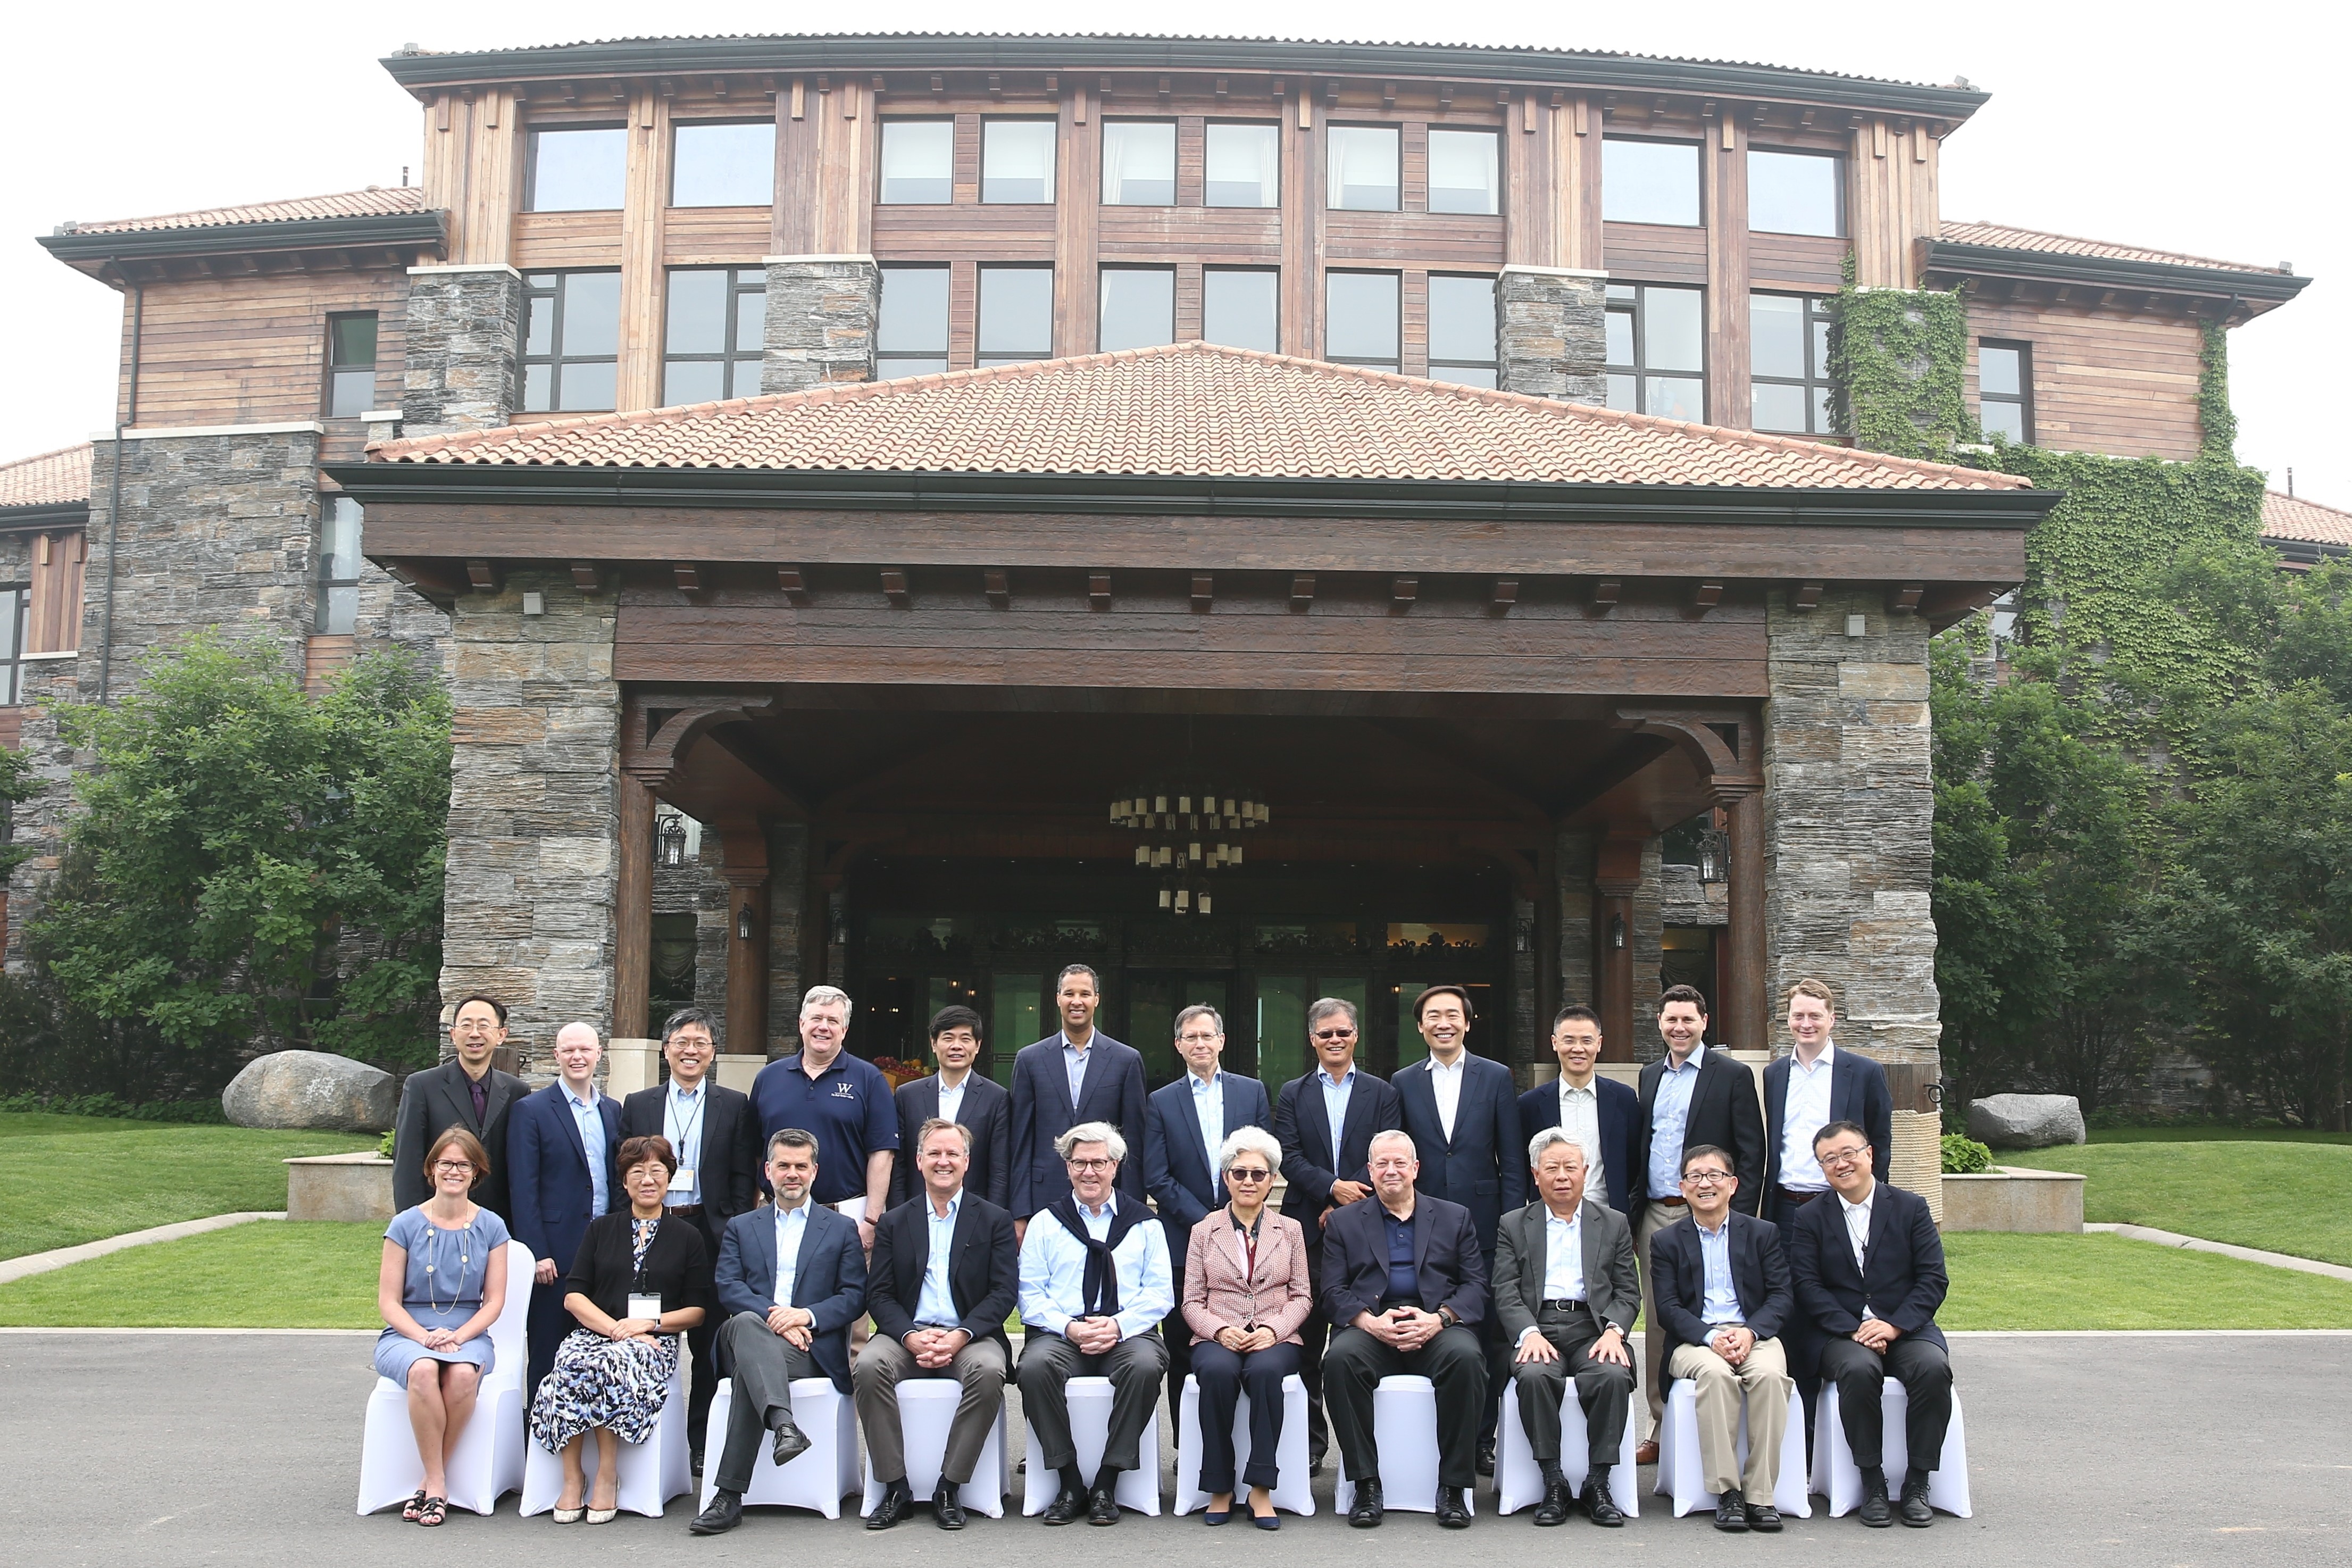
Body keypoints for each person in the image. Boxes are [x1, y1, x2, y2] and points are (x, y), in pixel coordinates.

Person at [689, 1129, 870, 1537]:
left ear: (815, 1171)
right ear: (767, 1171)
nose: (792, 1174)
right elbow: (730, 1287)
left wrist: (804, 1317)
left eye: (801, 1166)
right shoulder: (741, 1225)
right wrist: (779, 1318)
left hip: (808, 1348)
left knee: (748, 1374)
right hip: (749, 1334)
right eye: (784, 1166)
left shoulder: (840, 1229)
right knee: (747, 1325)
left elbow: (854, 1296)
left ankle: (729, 1497)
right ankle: (784, 1427)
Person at [527, 1136, 710, 1523]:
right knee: (572, 1361)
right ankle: (573, 1477)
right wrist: (616, 1330)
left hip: (654, 1342)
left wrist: (651, 1324)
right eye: (637, 1172)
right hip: (599, 1332)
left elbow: (697, 1311)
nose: (648, 1179)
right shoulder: (601, 1230)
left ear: (669, 1179)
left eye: (657, 1171)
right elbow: (573, 1297)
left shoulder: (688, 1237)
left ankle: (607, 1475)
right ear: (624, 1182)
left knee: (611, 1362)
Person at [1788, 1120, 1953, 1530]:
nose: (1841, 1164)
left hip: (1906, 1328)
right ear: (1822, 1169)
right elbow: (1806, 1286)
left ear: (1869, 1154)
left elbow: (1933, 1279)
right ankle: (1872, 1481)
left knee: (1933, 1370)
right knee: (1859, 1371)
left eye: (1849, 1153)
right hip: (1841, 1333)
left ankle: (1918, 1482)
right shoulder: (1809, 1217)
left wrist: (1893, 1326)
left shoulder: (1911, 1208)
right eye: (1829, 1159)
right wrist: (1853, 1330)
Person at [857, 1117, 1019, 1532]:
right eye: (935, 1153)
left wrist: (961, 1334)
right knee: (869, 1365)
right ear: (918, 1161)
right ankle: (895, 1487)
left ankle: (950, 1486)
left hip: (970, 1336)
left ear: (967, 1162)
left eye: (952, 1154)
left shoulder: (995, 1219)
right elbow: (879, 1294)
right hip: (907, 1334)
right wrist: (911, 1337)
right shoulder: (895, 1221)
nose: (943, 1161)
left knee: (988, 1370)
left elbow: (1003, 1294)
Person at [620, 1004, 762, 1473]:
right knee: (649, 1330)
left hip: (710, 1230)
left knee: (708, 1341)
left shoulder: (733, 1104)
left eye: (701, 1043)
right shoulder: (639, 1105)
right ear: (665, 1050)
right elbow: (622, 1170)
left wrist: (735, 1226)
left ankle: (700, 1442)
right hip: (655, 1230)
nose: (690, 1051)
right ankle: (646, 1438)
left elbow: (744, 1174)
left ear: (713, 1052)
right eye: (681, 1042)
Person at [1320, 1129, 1487, 1530]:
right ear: (1370, 1171)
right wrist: (1369, 1323)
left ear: (1416, 1168)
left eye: (1399, 1163)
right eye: (1382, 1164)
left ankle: (1453, 1487)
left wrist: (1440, 1319)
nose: (1390, 1171)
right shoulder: (1343, 1222)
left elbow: (1476, 1287)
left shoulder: (1454, 1216)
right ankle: (1366, 1484)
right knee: (1340, 1361)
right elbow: (1331, 1291)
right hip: (1373, 1322)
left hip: (1435, 1322)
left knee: (1467, 1359)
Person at [1393, 984, 1525, 1471]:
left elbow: (1511, 1158)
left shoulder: (1495, 1077)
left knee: (1487, 1333)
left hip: (1485, 1221)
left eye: (1453, 1015)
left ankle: (1480, 1438)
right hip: (1422, 1223)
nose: (1443, 1023)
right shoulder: (1403, 1081)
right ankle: (1430, 1436)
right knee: (1433, 1328)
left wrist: (1513, 1223)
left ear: (1468, 1023)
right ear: (1421, 1026)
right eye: (1433, 1016)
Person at [1015, 1121, 1172, 1527]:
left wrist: (1117, 1326)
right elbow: (1030, 1295)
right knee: (1033, 1367)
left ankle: (1107, 1480)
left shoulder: (1145, 1224)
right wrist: (1070, 1328)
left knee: (1144, 1365)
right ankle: (1069, 1481)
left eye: (1098, 1162)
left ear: (1115, 1165)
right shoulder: (1045, 1224)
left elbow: (1159, 1295)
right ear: (1067, 1167)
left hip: (1128, 1334)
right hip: (1063, 1334)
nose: (1089, 1172)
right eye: (1079, 1162)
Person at [1631, 984, 1765, 1453]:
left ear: (1704, 1022)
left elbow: (1752, 1152)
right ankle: (1661, 1428)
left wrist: (1739, 1223)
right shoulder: (1650, 1076)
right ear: (1660, 1024)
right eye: (1671, 1020)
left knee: (1717, 1307)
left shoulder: (1730, 1075)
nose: (1679, 1028)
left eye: (1688, 1020)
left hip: (1711, 1215)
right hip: (1655, 1213)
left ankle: (1727, 1424)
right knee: (1659, 1320)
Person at [1271, 996, 1402, 1473]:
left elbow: (1387, 1154)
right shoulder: (1292, 1092)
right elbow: (1287, 1154)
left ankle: (1361, 1444)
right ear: (1312, 1039)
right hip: (1305, 1227)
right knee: (1306, 1339)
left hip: (1367, 1227)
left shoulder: (1382, 1093)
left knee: (1357, 1337)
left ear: (1355, 1036)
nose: (1335, 1040)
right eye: (1325, 1034)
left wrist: (1350, 1200)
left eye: (1343, 1032)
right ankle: (1310, 1443)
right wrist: (1330, 1191)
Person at [1491, 1130, 1637, 1529]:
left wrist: (1614, 1332)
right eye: (1552, 1168)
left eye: (1570, 1167)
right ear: (1536, 1174)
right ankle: (1552, 1479)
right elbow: (1504, 1289)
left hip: (1593, 1329)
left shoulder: (1613, 1223)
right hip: (1539, 1327)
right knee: (1535, 1375)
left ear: (1585, 1173)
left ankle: (1598, 1482)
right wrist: (1529, 1333)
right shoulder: (1514, 1223)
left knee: (1611, 1375)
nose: (1562, 1176)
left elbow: (1628, 1292)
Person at [1649, 1144, 1796, 1534]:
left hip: (1755, 1336)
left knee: (1769, 1376)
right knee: (1714, 1377)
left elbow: (1782, 1297)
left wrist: (1749, 1332)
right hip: (1694, 1344)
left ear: (1732, 1184)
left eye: (1714, 1175)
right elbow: (1667, 1308)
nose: (1705, 1183)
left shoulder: (1764, 1233)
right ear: (1683, 1187)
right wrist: (1711, 1338)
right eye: (1695, 1176)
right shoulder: (1666, 1241)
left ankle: (1761, 1496)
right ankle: (1727, 1492)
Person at [374, 1128, 512, 1528]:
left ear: (476, 1173)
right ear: (432, 1169)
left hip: (467, 1331)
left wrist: (459, 1335)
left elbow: (496, 1302)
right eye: (445, 1163)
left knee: (463, 1377)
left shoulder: (492, 1228)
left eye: (463, 1164)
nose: (454, 1171)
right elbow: (388, 1302)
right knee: (424, 1369)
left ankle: (429, 1479)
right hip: (407, 1332)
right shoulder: (403, 1225)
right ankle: (437, 1482)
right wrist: (423, 1338)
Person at [1142, 1004, 1273, 1407]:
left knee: (1248, 1342)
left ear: (1222, 1040)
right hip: (1184, 1241)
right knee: (1183, 1346)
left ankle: (1239, 1438)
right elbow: (1157, 1176)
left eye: (1207, 1035)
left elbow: (1264, 1162)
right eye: (1191, 1037)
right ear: (1179, 1045)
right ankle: (1188, 1448)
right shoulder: (1161, 1101)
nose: (1200, 1043)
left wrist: (1236, 1215)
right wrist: (1210, 1222)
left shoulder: (1251, 1092)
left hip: (1250, 1239)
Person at [1182, 1126, 1310, 1531]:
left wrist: (1274, 1330)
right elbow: (1191, 1300)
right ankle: (1219, 1486)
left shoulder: (1291, 1230)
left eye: (1258, 1173)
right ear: (1226, 1178)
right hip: (1217, 1334)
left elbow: (1303, 1295)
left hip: (1277, 1335)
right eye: (1239, 1173)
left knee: (1266, 1371)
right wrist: (1219, 1331)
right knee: (1219, 1372)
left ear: (1273, 1179)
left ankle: (1260, 1487)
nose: (1248, 1181)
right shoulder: (1204, 1231)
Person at [508, 1022, 623, 1399]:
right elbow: (523, 1188)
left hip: (604, 1249)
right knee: (547, 1350)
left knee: (600, 1349)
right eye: (569, 1050)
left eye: (585, 1050)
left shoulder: (613, 1110)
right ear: (556, 1056)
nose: (577, 1057)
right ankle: (538, 1443)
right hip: (554, 1255)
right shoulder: (531, 1111)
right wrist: (537, 1252)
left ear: (598, 1055)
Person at [750, 986, 897, 1259]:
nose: (823, 1027)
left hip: (847, 1220)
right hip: (777, 1217)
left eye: (833, 1021)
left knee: (844, 1300)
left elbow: (882, 1153)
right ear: (801, 1023)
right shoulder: (768, 1078)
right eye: (817, 1018)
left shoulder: (869, 1079)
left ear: (845, 1030)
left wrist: (872, 1221)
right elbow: (756, 1151)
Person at [1009, 966, 1149, 1223]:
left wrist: (1133, 1211)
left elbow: (1134, 1142)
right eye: (1069, 993)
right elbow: (1020, 1140)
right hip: (1044, 1195)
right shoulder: (1030, 1060)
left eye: (1085, 994)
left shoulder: (1125, 1060)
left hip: (1107, 1196)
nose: (1077, 1001)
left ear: (1096, 999)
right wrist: (1020, 1213)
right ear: (1058, 998)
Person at [1761, 980, 1894, 1224]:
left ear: (1831, 1019)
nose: (1806, 1024)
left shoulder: (1865, 1072)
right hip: (1784, 1206)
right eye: (1798, 1016)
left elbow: (1881, 1142)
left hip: (1843, 1203)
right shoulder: (1774, 1074)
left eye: (1815, 1016)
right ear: (1788, 1019)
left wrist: (1867, 1199)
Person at [391, 995, 529, 1219]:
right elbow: (407, 1165)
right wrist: (412, 1225)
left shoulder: (517, 1092)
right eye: (466, 1025)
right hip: (437, 1219)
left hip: (497, 1224)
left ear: (501, 1035)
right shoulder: (422, 1087)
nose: (475, 1033)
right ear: (454, 1035)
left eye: (484, 1026)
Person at [1516, 1004, 1642, 1216]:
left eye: (1586, 1041)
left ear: (1599, 1044)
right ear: (1555, 1043)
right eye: (1569, 1040)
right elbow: (1523, 1165)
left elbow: (1633, 1162)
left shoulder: (1624, 1099)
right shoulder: (1530, 1104)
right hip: (1548, 1217)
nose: (1578, 1049)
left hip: (1609, 1216)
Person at [889, 1005, 1012, 1209]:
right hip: (916, 1210)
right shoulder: (907, 1096)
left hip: (975, 1213)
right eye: (948, 1038)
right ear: (934, 1044)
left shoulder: (996, 1098)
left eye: (965, 1039)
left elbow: (1000, 1169)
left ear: (978, 1045)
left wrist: (994, 1220)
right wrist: (897, 1215)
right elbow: (899, 1166)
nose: (957, 1046)